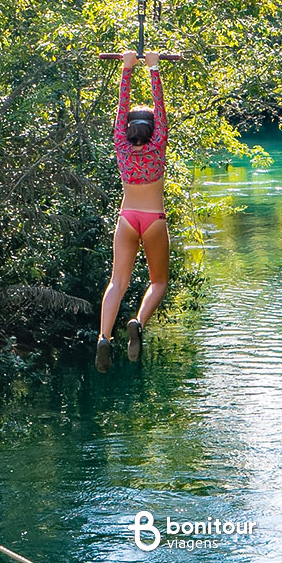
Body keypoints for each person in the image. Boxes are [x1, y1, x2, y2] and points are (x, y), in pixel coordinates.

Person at [96, 49, 169, 371]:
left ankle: (103, 337)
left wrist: (127, 69)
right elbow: (161, 109)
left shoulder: (120, 146)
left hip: (126, 219)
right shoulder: (158, 145)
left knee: (117, 282)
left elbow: (120, 109)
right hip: (153, 219)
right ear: (154, 130)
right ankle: (137, 322)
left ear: (126, 130)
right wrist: (153, 67)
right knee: (158, 283)